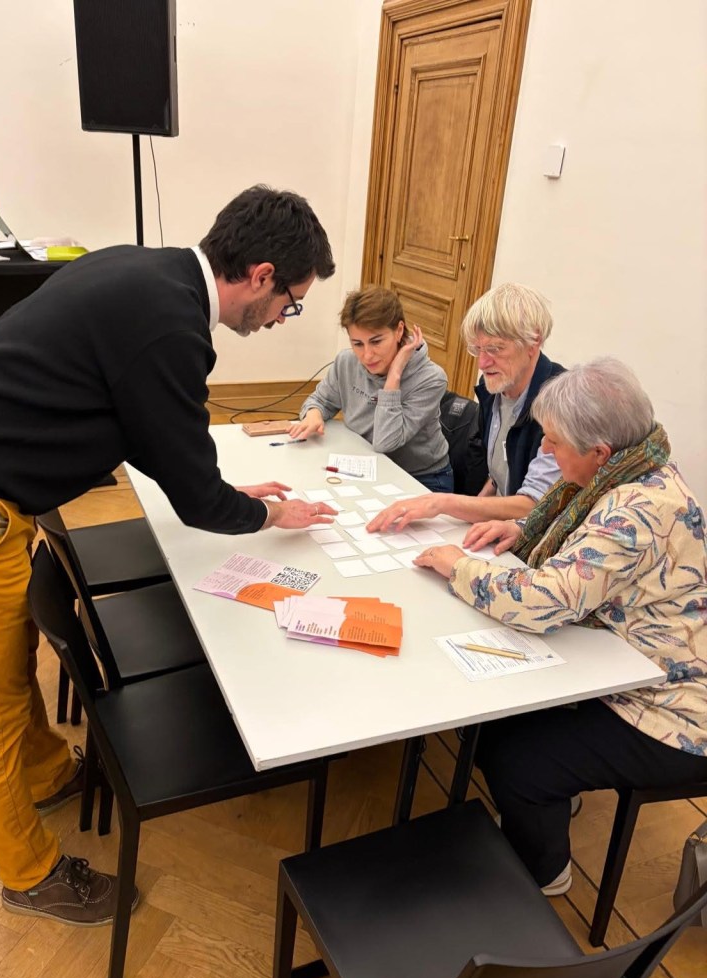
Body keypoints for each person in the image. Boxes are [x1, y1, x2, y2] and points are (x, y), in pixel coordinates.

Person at [0, 184, 337, 926]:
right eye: (290, 301)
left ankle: (48, 772)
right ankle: (27, 874)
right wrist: (270, 513)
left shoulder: (148, 273)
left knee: (8, 662)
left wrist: (225, 484)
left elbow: (150, 428)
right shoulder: (174, 328)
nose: (283, 316)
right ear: (258, 275)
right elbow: (191, 494)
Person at [413, 357, 707, 895]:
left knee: (517, 761)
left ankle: (544, 871)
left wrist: (457, 565)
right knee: (493, 720)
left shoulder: (636, 510)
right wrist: (519, 526)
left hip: (678, 711)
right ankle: (555, 799)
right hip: (633, 659)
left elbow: (544, 601)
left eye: (554, 443)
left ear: (599, 452)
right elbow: (586, 544)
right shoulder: (639, 465)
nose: (546, 451)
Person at [367, 282, 564, 531]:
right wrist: (465, 523)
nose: (482, 362)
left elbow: (534, 504)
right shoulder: (494, 388)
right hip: (503, 527)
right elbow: (498, 478)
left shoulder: (561, 405)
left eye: (495, 349)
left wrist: (441, 502)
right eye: (477, 349)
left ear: (534, 340)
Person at [289, 285, 452, 491]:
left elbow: (385, 442)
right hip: (365, 465)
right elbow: (320, 401)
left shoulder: (431, 379)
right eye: (357, 344)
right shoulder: (346, 362)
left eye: (376, 341)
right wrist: (313, 414)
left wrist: (394, 376)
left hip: (421, 478)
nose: (367, 355)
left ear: (399, 330)